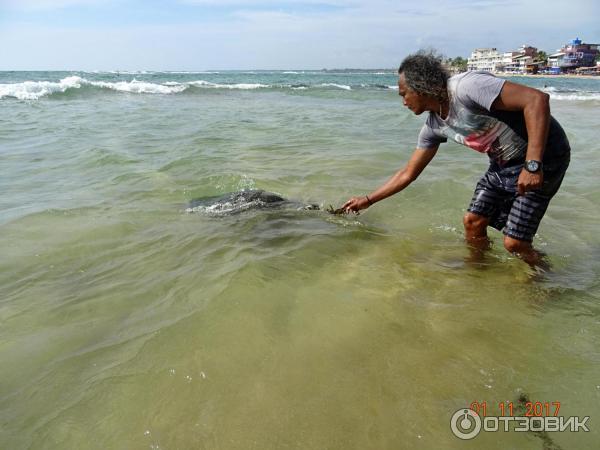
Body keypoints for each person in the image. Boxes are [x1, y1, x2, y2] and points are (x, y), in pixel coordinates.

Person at [342, 51, 570, 266]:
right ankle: (479, 270)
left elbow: (536, 100)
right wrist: (368, 200)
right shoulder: (434, 126)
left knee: (515, 244)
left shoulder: (466, 88)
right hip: (502, 165)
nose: (403, 102)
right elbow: (408, 173)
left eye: (404, 94)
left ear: (420, 87)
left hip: (545, 155)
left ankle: (546, 279)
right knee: (473, 222)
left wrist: (533, 165)